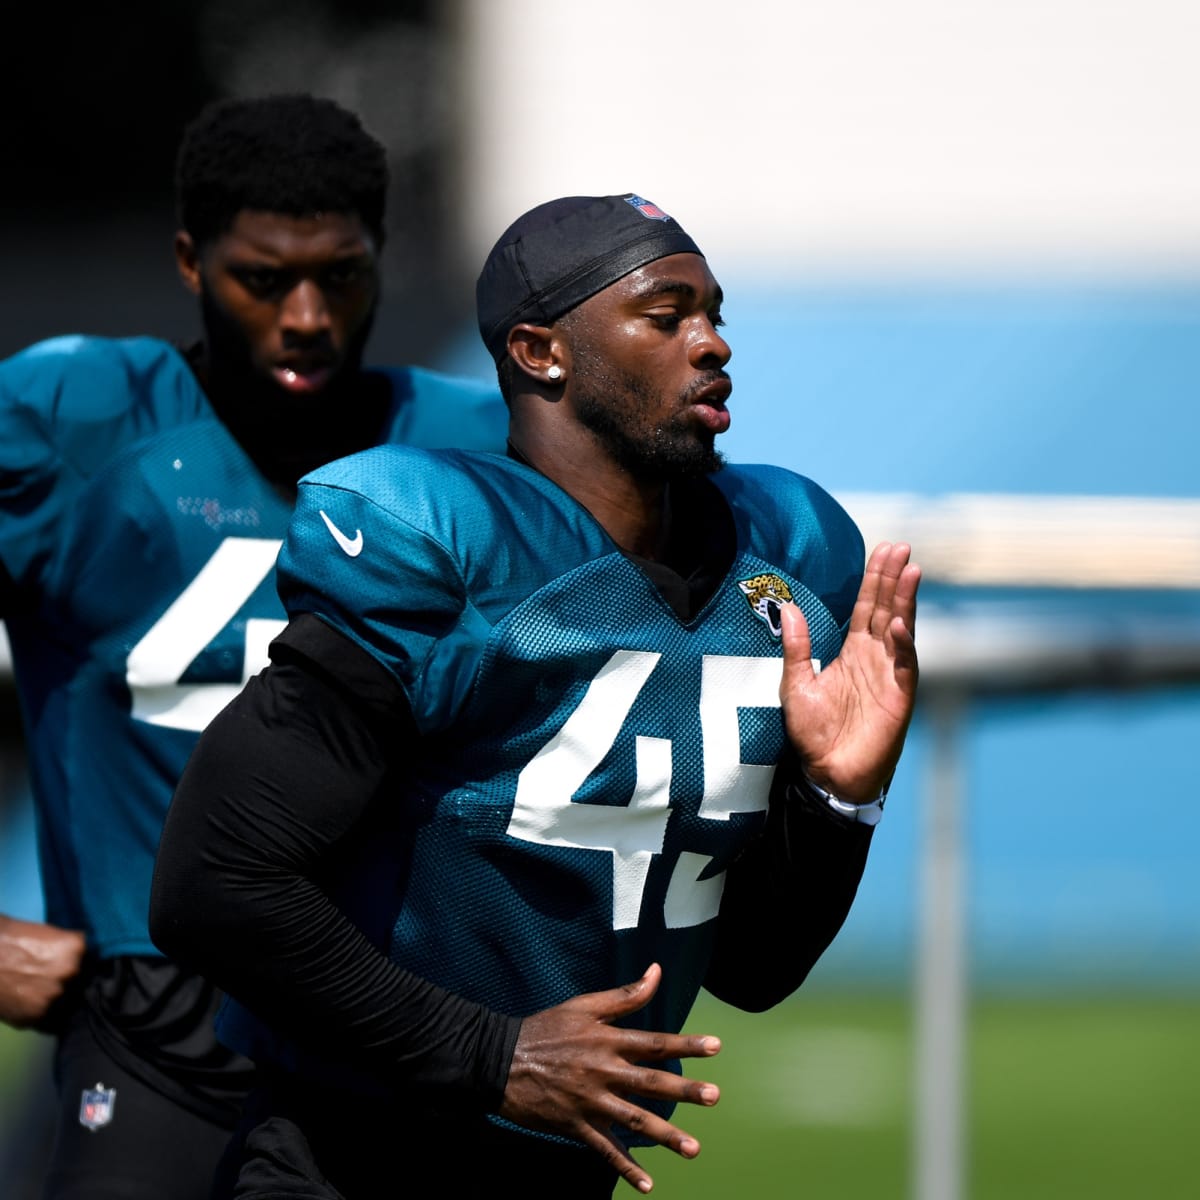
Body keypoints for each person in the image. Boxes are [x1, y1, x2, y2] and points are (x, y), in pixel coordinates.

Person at [150, 192, 920, 1198]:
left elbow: (756, 970)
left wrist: (838, 800)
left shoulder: (779, 556)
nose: (712, 344)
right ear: (540, 352)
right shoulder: (448, 542)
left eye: (716, 314)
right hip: (352, 1159)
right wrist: (492, 1056)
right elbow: (212, 884)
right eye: (665, 313)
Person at [0, 93, 505, 1200]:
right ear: (190, 261)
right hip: (154, 1023)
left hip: (389, 1019)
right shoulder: (74, 421)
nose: (309, 316)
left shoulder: (474, 448)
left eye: (344, 273)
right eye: (264, 279)